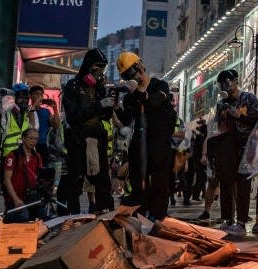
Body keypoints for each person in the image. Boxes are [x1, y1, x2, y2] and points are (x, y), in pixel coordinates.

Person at [116, 51, 176, 221]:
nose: (132, 77)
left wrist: (140, 93)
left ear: (140, 66)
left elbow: (155, 101)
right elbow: (125, 119)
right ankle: (140, 217)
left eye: (133, 72)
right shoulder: (130, 97)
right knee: (138, 184)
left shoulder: (159, 85)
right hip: (140, 143)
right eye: (127, 75)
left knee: (160, 183)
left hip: (159, 143)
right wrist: (114, 107)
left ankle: (160, 218)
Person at [58, 48, 115, 214]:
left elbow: (105, 117)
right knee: (75, 182)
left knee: (102, 181)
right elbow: (73, 116)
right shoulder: (73, 86)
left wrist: (109, 103)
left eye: (103, 69)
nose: (100, 73)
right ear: (88, 67)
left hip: (97, 139)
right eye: (97, 68)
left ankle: (105, 215)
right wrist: (99, 105)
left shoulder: (99, 88)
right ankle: (71, 217)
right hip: (78, 140)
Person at [211, 68, 258, 233]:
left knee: (243, 185)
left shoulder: (248, 98)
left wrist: (239, 116)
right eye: (222, 84)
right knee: (226, 183)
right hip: (226, 147)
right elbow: (218, 126)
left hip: (245, 147)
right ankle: (227, 218)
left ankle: (241, 221)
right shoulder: (221, 104)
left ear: (235, 81)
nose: (226, 86)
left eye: (228, 82)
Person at [2, 128, 44, 222]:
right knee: (23, 217)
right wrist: (16, 199)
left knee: (43, 216)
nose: (34, 141)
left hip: (32, 198)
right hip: (16, 199)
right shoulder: (13, 155)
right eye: (31, 138)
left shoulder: (37, 157)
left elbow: (40, 178)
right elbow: (6, 180)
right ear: (24, 138)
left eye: (36, 139)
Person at [1, 84, 38, 158]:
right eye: (20, 98)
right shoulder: (7, 113)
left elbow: (34, 130)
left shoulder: (31, 112)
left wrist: (31, 111)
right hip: (9, 155)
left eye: (26, 98)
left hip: (26, 155)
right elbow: (1, 133)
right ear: (13, 98)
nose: (24, 101)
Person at [29, 85, 57, 162]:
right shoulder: (27, 110)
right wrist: (34, 106)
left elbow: (56, 125)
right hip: (29, 145)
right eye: (36, 94)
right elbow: (32, 124)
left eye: (41, 94)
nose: (39, 96)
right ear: (30, 96)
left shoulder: (46, 111)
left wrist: (55, 108)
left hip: (43, 145)